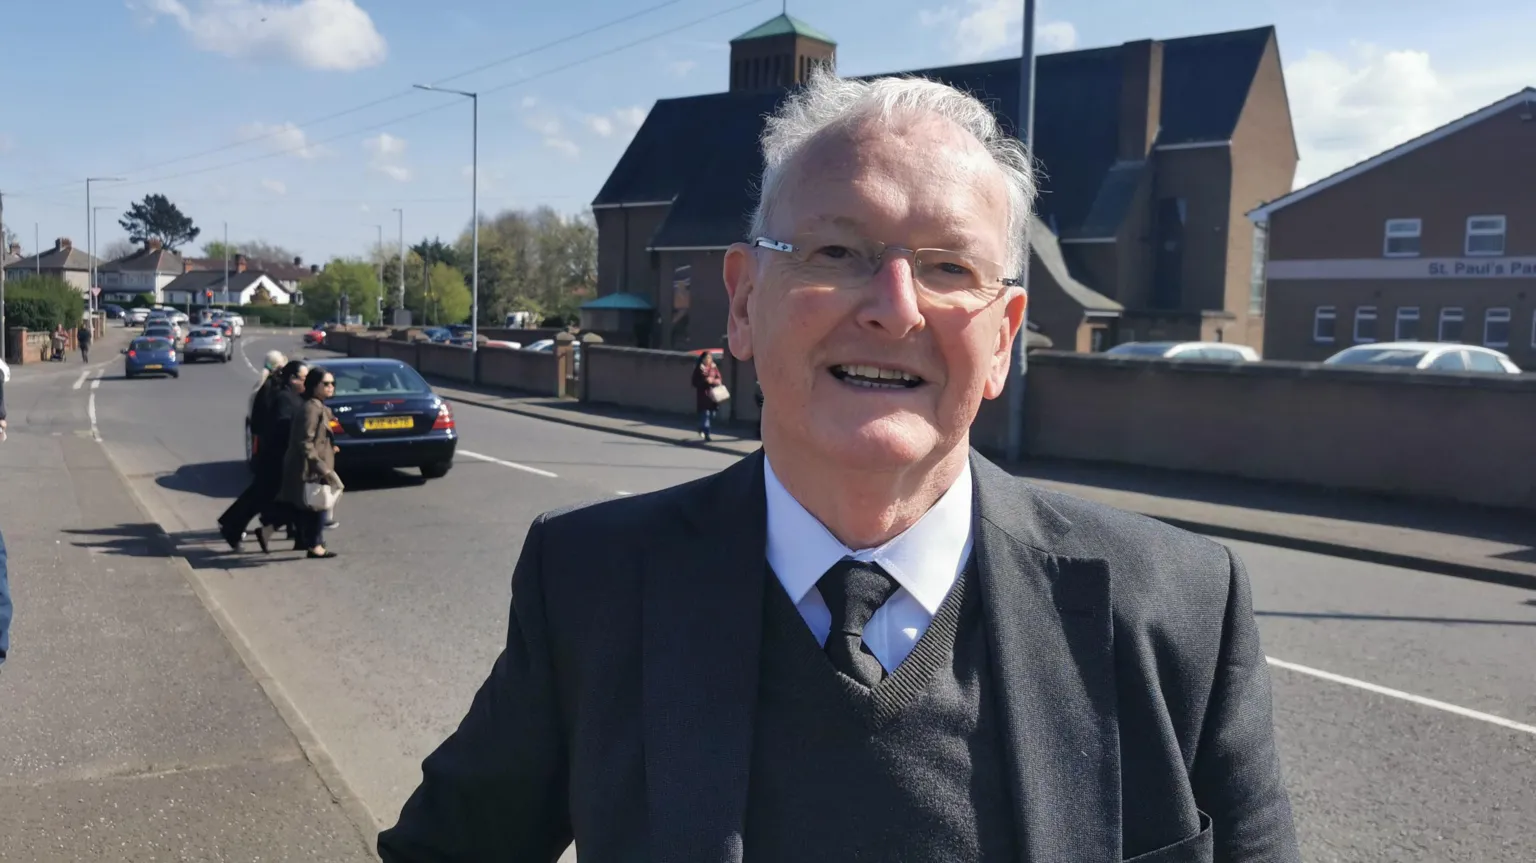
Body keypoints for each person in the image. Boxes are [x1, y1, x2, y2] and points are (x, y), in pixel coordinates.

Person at [378, 70, 1299, 863]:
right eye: (835, 251)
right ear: (742, 303)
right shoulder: (592, 582)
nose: (895, 308)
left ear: (1004, 337)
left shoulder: (1179, 605)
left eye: (946, 266)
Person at [219, 359, 304, 552]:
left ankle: (234, 526)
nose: (306, 382)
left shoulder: (290, 395)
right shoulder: (284, 398)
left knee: (260, 496)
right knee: (261, 497)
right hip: (276, 457)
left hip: (276, 456)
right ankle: (232, 526)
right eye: (303, 378)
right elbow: (281, 426)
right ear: (292, 379)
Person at [277, 367, 340, 560]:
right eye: (326, 384)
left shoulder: (318, 406)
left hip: (315, 464)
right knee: (318, 505)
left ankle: (311, 541)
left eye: (332, 384)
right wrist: (323, 467)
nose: (330, 387)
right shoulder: (311, 409)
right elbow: (304, 441)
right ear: (314, 386)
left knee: (311, 507)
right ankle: (315, 545)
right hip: (310, 467)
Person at [691, 350, 724, 441]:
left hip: (713, 396)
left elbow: (719, 378)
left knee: (712, 415)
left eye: (709, 358)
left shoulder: (714, 367)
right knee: (706, 414)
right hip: (703, 396)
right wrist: (704, 381)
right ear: (702, 359)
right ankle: (707, 434)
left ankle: (701, 428)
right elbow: (694, 382)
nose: (708, 360)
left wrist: (713, 381)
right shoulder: (699, 369)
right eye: (706, 358)